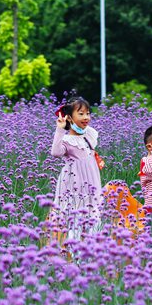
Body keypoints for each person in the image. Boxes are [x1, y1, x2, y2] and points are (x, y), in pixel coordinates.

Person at [49, 97, 103, 245]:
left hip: (92, 184)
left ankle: (93, 253)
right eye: (81, 114)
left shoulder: (89, 136)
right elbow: (55, 152)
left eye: (88, 113)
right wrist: (60, 129)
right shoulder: (67, 140)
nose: (86, 117)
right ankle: (76, 256)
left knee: (95, 218)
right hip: (75, 186)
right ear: (70, 118)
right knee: (76, 221)